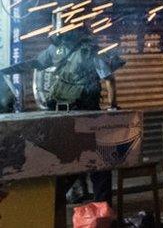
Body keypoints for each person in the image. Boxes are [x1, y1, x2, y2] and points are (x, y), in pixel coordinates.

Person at [0, 15, 125, 203]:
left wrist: (6, 70)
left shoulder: (68, 50)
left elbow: (34, 63)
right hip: (83, 115)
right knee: (96, 163)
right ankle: (99, 208)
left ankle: (59, 202)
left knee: (71, 161)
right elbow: (108, 79)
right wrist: (112, 106)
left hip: (70, 113)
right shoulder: (81, 49)